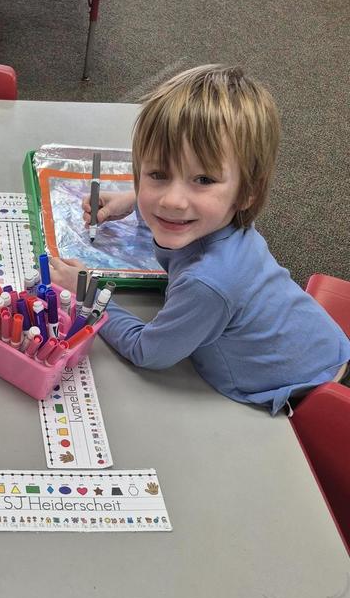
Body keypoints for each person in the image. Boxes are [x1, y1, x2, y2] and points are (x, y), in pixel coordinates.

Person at [50, 64, 350, 414]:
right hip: (320, 345)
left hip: (302, 391)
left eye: (203, 180)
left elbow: (147, 352)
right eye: (158, 174)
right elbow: (180, 203)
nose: (172, 201)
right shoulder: (224, 220)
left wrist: (87, 294)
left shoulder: (206, 283)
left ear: (247, 192)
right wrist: (130, 202)